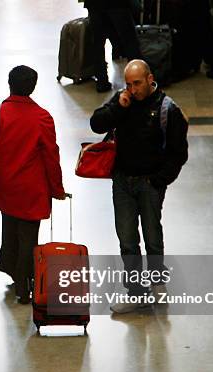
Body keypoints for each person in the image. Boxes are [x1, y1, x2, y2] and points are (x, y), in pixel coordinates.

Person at [89, 59, 188, 314]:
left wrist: (159, 181)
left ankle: (157, 282)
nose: (133, 89)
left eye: (137, 83)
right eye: (129, 84)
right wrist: (117, 109)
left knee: (153, 237)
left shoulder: (167, 109)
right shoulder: (122, 101)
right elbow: (96, 123)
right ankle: (136, 292)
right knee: (128, 239)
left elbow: (178, 153)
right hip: (122, 181)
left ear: (149, 79)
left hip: (150, 183)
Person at [0, 65, 66, 304]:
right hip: (32, 188)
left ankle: (12, 271)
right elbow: (51, 155)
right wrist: (57, 189)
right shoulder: (42, 117)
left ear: (9, 83)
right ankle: (24, 286)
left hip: (4, 184)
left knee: (10, 228)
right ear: (33, 87)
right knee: (28, 236)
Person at [83, 0, 142, 92]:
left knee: (98, 44)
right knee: (130, 42)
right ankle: (138, 79)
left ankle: (101, 82)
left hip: (94, 4)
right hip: (117, 4)